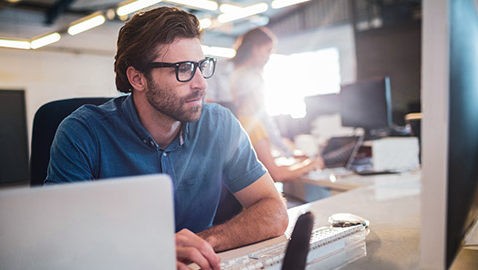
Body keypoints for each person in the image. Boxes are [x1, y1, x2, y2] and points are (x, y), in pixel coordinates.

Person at [45, 7, 288, 270]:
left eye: (201, 66)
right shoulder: (82, 133)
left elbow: (273, 210)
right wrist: (151, 250)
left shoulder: (220, 124)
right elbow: (60, 239)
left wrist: (202, 242)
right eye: (183, 69)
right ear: (137, 78)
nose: (201, 83)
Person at [230, 27, 324, 182]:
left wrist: (299, 160)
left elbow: (270, 168)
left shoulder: (245, 122)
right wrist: (311, 165)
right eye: (268, 51)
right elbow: (275, 174)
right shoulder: (251, 127)